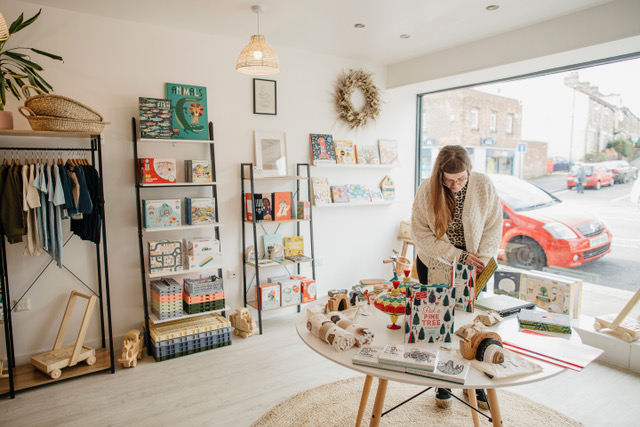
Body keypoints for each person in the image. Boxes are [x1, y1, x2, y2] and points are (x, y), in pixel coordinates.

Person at [410, 145, 503, 410]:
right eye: (448, 180)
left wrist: (482, 259)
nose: (455, 185)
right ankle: (443, 382)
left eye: (461, 178)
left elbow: (494, 224)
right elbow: (420, 233)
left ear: (469, 171)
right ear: (439, 174)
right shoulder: (426, 189)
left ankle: (478, 385)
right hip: (435, 263)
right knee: (439, 326)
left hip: (474, 266)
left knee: (472, 326)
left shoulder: (483, 185)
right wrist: (456, 256)